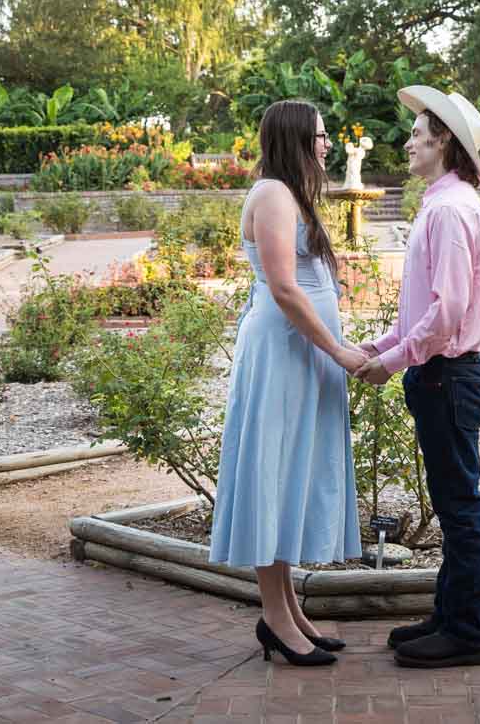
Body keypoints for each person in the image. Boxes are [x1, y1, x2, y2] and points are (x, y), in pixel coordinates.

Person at [209, 99, 370, 667]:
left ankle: (289, 611)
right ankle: (275, 617)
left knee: (288, 471)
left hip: (302, 354)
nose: (327, 144)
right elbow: (282, 287)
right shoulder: (274, 194)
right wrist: (341, 353)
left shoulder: (290, 193)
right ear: (295, 138)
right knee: (271, 472)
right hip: (283, 353)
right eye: (320, 136)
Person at [354, 85, 480, 669]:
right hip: (442, 374)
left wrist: (390, 362)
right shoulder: (447, 203)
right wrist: (382, 344)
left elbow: (448, 312)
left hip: (447, 377)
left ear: (444, 141)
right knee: (451, 499)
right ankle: (449, 614)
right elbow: (423, 312)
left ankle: (470, 633)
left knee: (460, 506)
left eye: (417, 133)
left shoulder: (448, 208)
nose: (407, 141)